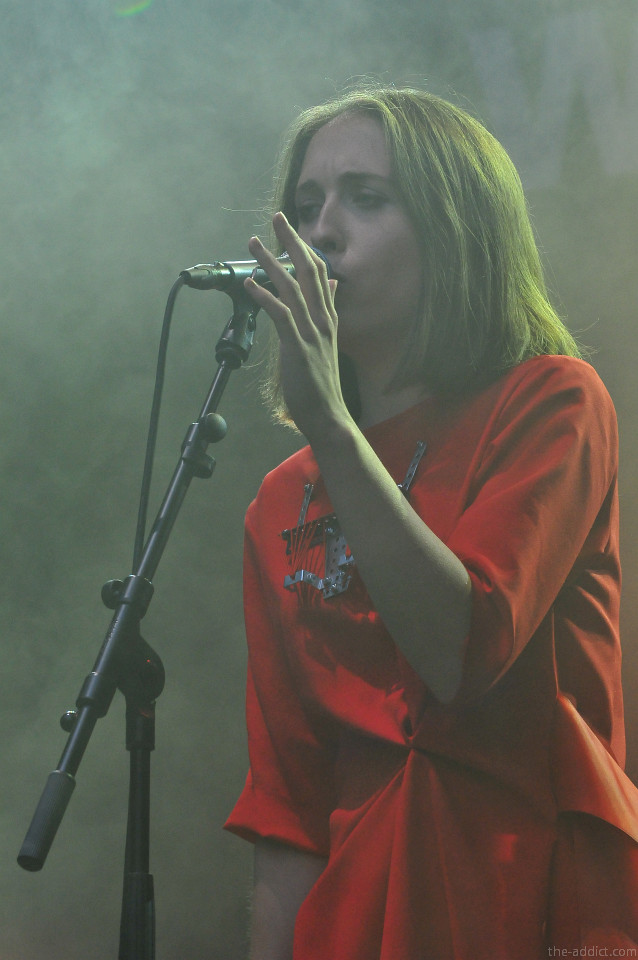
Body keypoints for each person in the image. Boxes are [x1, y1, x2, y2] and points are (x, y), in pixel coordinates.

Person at [224, 85, 638, 959]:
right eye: (307, 205)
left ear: (456, 230)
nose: (322, 232)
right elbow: (289, 803)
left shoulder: (552, 403)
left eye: (365, 199)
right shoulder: (280, 502)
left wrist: (332, 428)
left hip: (528, 904)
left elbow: (461, 649)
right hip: (354, 919)